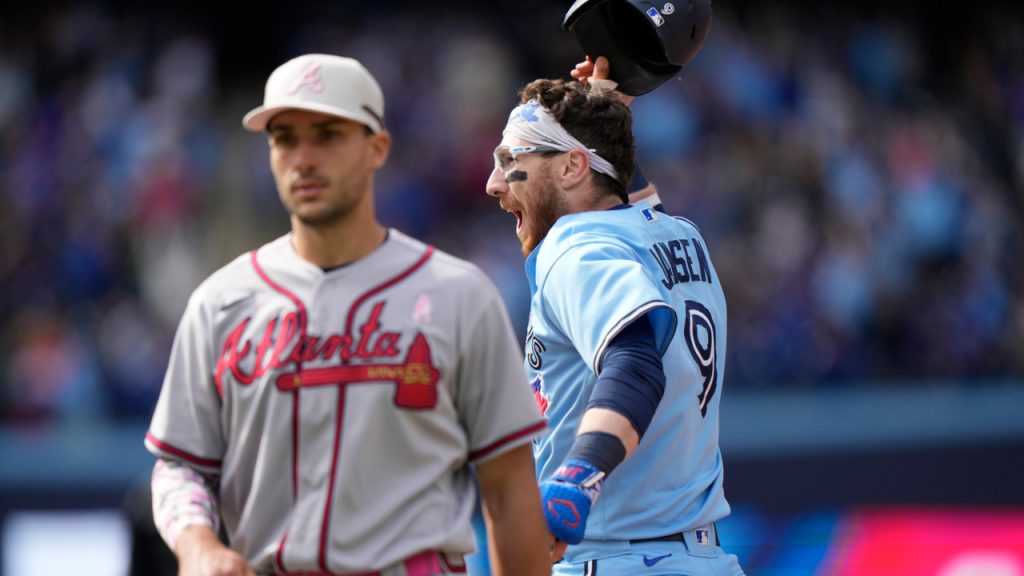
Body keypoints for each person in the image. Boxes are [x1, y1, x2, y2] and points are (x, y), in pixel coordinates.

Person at [144, 53, 553, 576]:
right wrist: (197, 543)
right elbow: (180, 466)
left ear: (376, 147)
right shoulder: (220, 302)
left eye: (328, 134)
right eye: (285, 138)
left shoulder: (459, 296)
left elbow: (508, 486)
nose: (304, 157)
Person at [484, 56, 745, 575]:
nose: (495, 182)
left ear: (572, 167)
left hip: (616, 557)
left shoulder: (576, 248)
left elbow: (633, 365)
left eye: (512, 160)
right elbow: (629, 195)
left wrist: (577, 479)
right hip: (703, 558)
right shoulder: (679, 234)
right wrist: (609, 112)